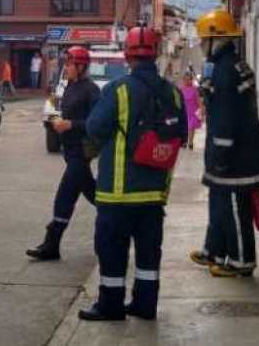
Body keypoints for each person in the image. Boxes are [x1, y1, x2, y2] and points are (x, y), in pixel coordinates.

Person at [79, 26, 187, 321]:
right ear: (156, 53)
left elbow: (94, 128)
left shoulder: (119, 89)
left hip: (118, 193)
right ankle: (144, 304)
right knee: (149, 254)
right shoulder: (174, 93)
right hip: (154, 194)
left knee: (112, 251)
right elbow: (182, 134)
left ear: (128, 55)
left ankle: (111, 306)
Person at [188, 9, 259, 278]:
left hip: (235, 158)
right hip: (235, 153)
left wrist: (220, 155)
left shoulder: (225, 71)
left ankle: (241, 260)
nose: (200, 45)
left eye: (203, 40)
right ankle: (215, 250)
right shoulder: (230, 64)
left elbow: (225, 117)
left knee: (234, 208)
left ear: (216, 39)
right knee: (218, 203)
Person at [26, 46, 101, 261]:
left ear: (80, 66)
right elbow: (64, 114)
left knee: (64, 197)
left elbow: (95, 123)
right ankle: (119, 220)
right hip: (69, 151)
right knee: (95, 195)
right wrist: (55, 123)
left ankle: (51, 244)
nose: (65, 68)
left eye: (69, 64)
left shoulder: (91, 90)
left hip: (81, 152)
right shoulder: (69, 88)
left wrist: (70, 125)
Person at [179, 71, 203, 149]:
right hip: (184, 112)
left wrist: (201, 109)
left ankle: (190, 142)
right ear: (183, 80)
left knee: (191, 128)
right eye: (186, 80)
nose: (187, 81)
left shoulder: (195, 89)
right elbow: (179, 101)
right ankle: (185, 141)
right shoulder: (181, 89)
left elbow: (198, 100)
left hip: (193, 112)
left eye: (189, 80)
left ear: (191, 80)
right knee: (186, 128)